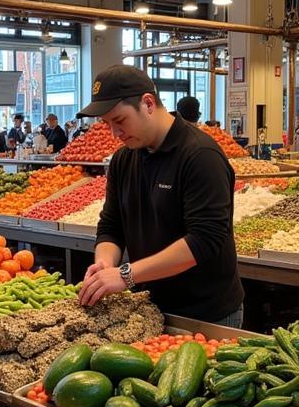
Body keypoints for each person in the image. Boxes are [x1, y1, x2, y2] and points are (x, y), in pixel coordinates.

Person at [78, 64, 244, 326]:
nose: (115, 133)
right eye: (108, 124)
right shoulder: (123, 159)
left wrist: (125, 275)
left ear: (147, 103)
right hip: (147, 309)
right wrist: (104, 265)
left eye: (120, 121)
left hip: (205, 316)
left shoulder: (200, 156)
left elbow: (204, 239)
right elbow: (111, 224)